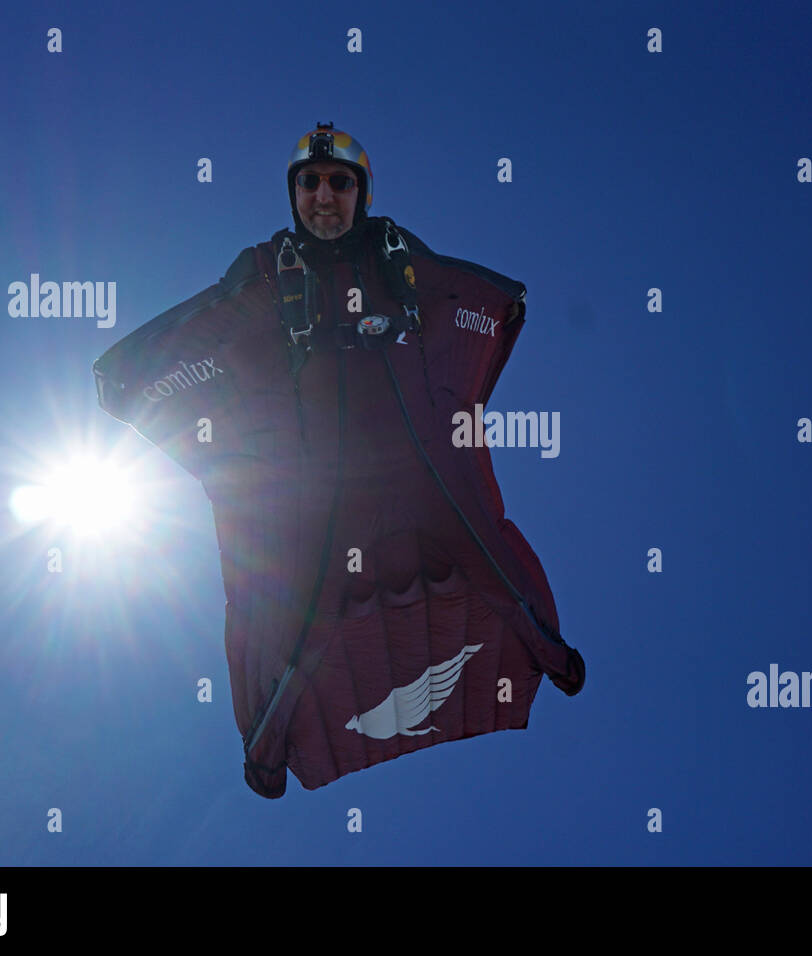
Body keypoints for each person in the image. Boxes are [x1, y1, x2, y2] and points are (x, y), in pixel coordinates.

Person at [94, 122, 584, 796]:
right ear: (294, 194)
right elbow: (215, 325)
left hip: (422, 464)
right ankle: (264, 747)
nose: (324, 196)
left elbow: (457, 299)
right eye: (310, 183)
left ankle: (550, 657)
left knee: (489, 558)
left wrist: (504, 308)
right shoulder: (266, 270)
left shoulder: (400, 256)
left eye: (339, 183)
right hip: (317, 485)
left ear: (362, 192)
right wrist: (134, 376)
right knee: (281, 607)